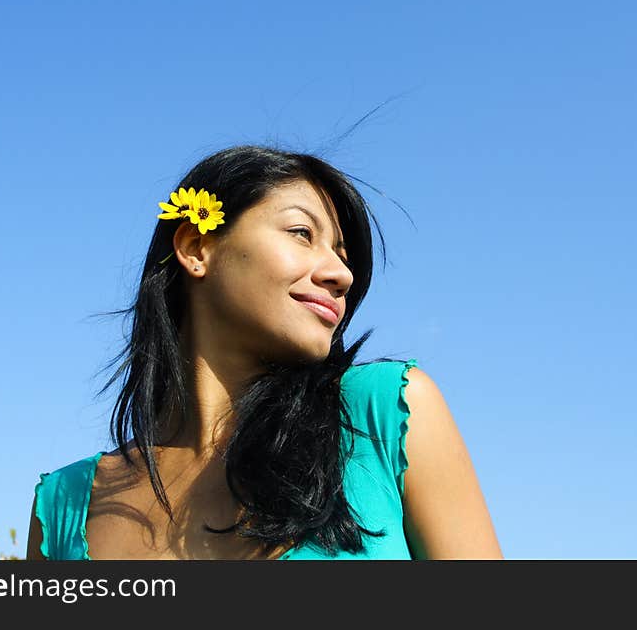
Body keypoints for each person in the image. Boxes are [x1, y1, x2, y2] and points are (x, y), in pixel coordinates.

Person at [26, 145, 503, 560]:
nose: (342, 274)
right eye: (301, 233)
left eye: (342, 253)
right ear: (196, 246)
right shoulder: (64, 508)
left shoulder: (385, 414)